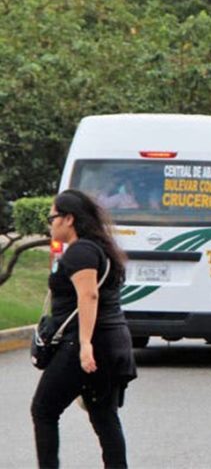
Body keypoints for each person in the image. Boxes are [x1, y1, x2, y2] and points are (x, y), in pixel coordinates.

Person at [31, 189, 137, 468]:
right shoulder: (100, 248)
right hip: (114, 340)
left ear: (68, 219)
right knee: (104, 415)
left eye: (53, 217)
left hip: (87, 343)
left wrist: (85, 344)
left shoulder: (82, 252)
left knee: (43, 409)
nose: (50, 223)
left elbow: (88, 295)